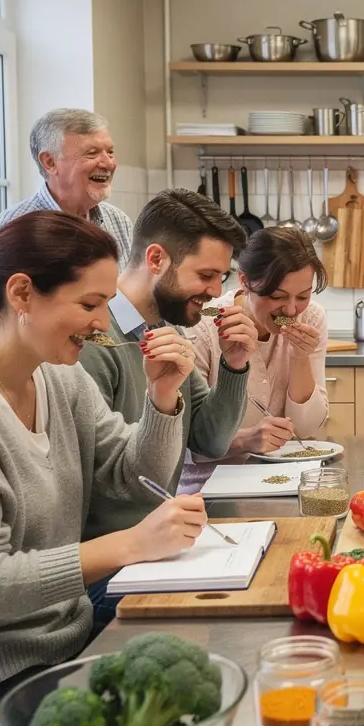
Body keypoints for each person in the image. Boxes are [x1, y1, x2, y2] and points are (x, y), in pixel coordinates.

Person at [0, 212, 207, 726]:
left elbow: (132, 475)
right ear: (21, 293)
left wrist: (162, 399)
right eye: (89, 304)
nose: (104, 323)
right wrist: (128, 546)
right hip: (1, 680)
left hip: (71, 640)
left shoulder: (60, 377)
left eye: (106, 303)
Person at [78, 188, 255, 524]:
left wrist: (234, 365)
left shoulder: (166, 329)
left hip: (159, 536)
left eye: (221, 277)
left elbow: (210, 441)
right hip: (118, 548)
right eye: (205, 275)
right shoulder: (93, 340)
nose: (216, 291)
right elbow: (94, 484)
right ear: (156, 259)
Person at [181, 226, 329, 486]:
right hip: (208, 486)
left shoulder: (311, 317)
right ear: (244, 281)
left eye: (303, 296)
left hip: (283, 479)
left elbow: (306, 429)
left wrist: (300, 357)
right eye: (277, 296)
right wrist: (244, 440)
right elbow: (186, 443)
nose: (291, 310)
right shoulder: (204, 325)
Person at [0, 109, 132, 263]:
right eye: (92, 153)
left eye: (110, 152)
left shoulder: (119, 222)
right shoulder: (8, 231)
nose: (109, 163)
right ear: (50, 162)